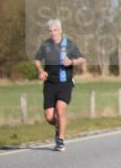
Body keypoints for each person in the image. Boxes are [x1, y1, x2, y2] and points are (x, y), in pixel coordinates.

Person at [33, 19, 85, 152]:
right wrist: (41, 71)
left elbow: (82, 59)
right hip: (50, 83)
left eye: (55, 30)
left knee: (60, 109)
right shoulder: (46, 45)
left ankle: (60, 141)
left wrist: (71, 61)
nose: (52, 33)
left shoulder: (69, 44)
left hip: (65, 83)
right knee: (49, 117)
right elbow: (37, 59)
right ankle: (58, 126)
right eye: (50, 31)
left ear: (60, 30)